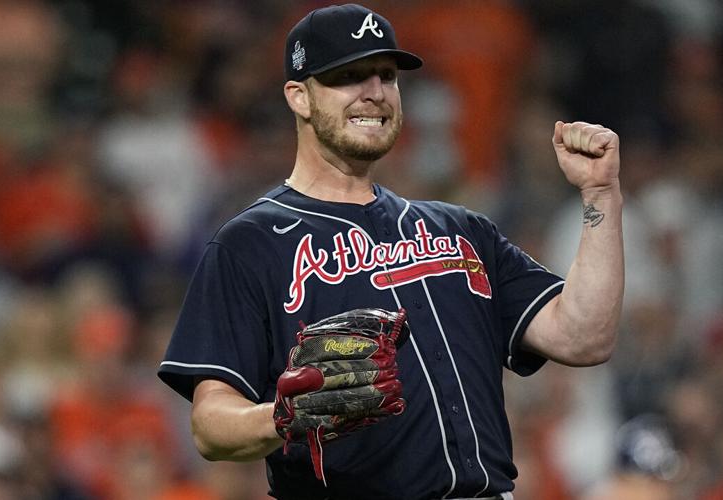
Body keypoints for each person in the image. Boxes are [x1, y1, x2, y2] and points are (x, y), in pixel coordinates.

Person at [158, 4, 624, 499]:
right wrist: (285, 416)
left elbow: (584, 337)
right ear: (299, 96)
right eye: (349, 76)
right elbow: (210, 426)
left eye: (386, 75)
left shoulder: (460, 228)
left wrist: (600, 196)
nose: (374, 92)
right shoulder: (250, 243)